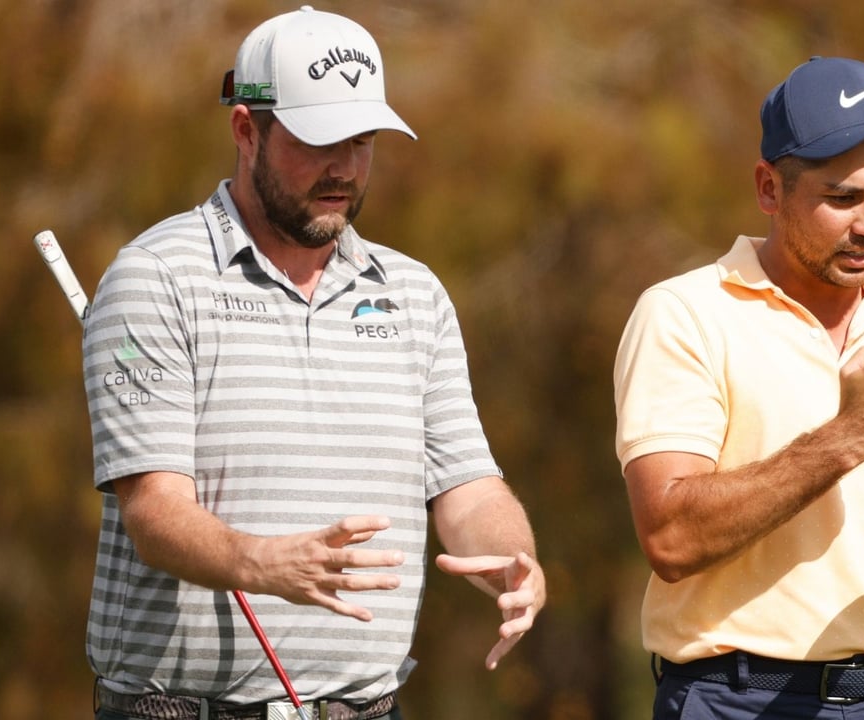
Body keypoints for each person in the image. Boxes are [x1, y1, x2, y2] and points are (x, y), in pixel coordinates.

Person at [82, 7, 545, 720]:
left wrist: (514, 561)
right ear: (246, 130)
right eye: (320, 140)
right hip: (182, 708)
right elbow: (154, 512)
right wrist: (264, 563)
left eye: (362, 141)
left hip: (367, 708)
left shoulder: (414, 293)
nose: (345, 169)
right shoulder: (156, 276)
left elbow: (469, 490)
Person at [613, 56, 864, 719]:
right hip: (739, 702)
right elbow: (671, 539)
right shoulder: (683, 313)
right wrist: (847, 438)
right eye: (844, 198)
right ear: (769, 188)